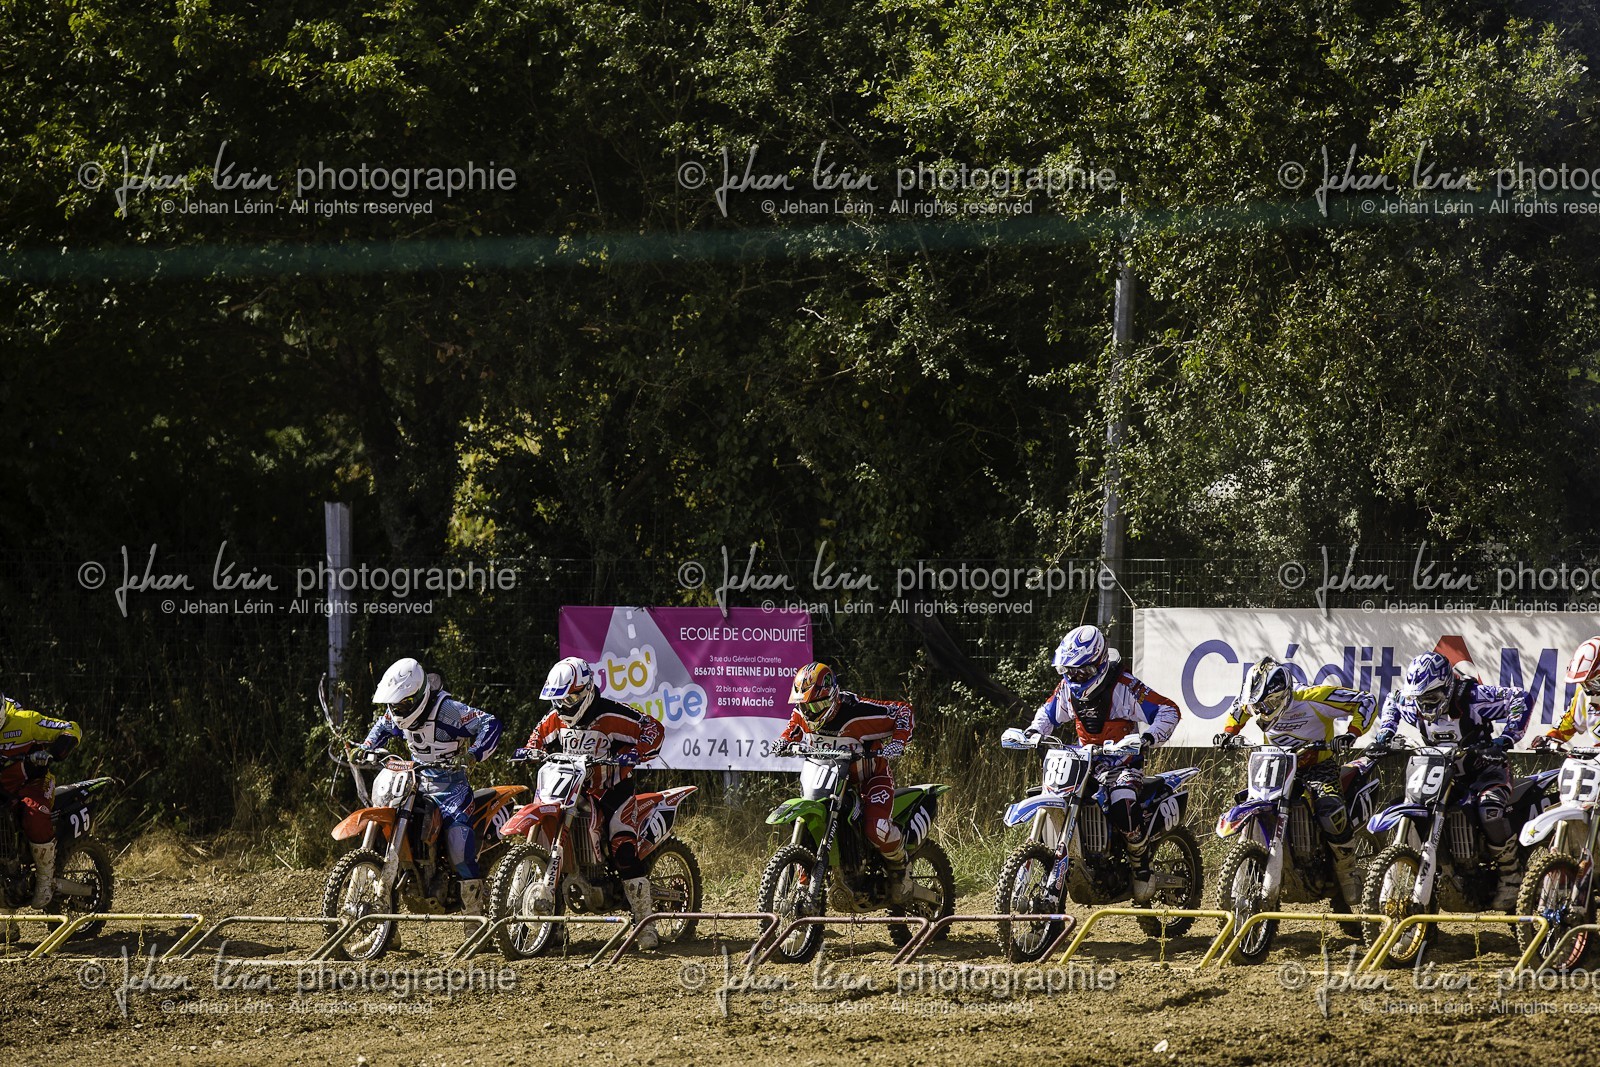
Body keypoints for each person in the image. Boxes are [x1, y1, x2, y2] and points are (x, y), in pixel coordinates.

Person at [1023, 624, 1181, 902]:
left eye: (1079, 671)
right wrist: (1035, 732)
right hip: (1085, 760)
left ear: (1097, 665)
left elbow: (1168, 710)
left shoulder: (1125, 686)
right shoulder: (1068, 688)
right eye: (1068, 671)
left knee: (1121, 802)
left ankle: (1140, 863)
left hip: (1123, 763)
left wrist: (1148, 737)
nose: (1074, 676)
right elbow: (1047, 714)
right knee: (1050, 794)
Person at [514, 657, 665, 945]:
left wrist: (637, 752)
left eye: (569, 697)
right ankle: (553, 929)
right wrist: (530, 749)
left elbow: (653, 729)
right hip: (569, 790)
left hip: (611, 789)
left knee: (622, 846)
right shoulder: (555, 717)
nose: (563, 705)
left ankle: (645, 924)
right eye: (558, 698)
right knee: (548, 849)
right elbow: (536, 737)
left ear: (585, 691)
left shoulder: (611, 713)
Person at [1369, 651, 1531, 909]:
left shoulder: (1473, 697)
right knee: (1414, 807)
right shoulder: (1415, 704)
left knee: (1489, 809)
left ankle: (1510, 874)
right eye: (1418, 699)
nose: (1424, 705)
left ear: (1447, 686)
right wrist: (1385, 734)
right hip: (1441, 774)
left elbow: (1520, 698)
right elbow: (1393, 700)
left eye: (1431, 697)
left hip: (1485, 771)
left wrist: (1507, 738)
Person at [1214, 658, 1378, 907]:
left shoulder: (1314, 697)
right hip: (1275, 767)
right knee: (1250, 803)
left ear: (1283, 695)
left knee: (1329, 809)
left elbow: (1366, 701)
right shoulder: (1257, 703)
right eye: (1258, 706)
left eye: (1267, 704)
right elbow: (1239, 708)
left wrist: (1351, 734)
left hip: (1317, 767)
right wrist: (1228, 733)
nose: (1262, 711)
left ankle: (1347, 871)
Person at [358, 658, 501, 915]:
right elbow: (381, 726)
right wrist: (366, 748)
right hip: (415, 784)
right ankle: (386, 931)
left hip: (451, 789)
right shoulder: (397, 711)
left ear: (419, 695)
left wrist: (473, 755)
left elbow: (490, 723)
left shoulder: (447, 710)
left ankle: (474, 918)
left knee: (458, 843)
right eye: (394, 704)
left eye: (403, 704)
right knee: (388, 838)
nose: (397, 710)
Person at [775, 662, 915, 902]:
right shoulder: (803, 712)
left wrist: (898, 742)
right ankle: (807, 887)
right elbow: (794, 727)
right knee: (812, 817)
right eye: (804, 704)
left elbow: (903, 711)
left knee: (876, 828)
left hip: (869, 779)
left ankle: (901, 868)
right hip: (829, 780)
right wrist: (784, 741)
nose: (809, 711)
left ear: (832, 698)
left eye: (816, 704)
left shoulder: (857, 712)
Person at [0, 695, 82, 909]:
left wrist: (54, 753)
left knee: (34, 814)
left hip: (34, 783)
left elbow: (70, 728)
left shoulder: (25, 721)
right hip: (3, 787)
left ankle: (45, 878)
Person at [1532, 637, 1600, 750]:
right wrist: (1551, 738)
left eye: (1595, 683)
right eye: (1585, 684)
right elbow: (1570, 721)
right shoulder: (1584, 694)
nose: (1590, 690)